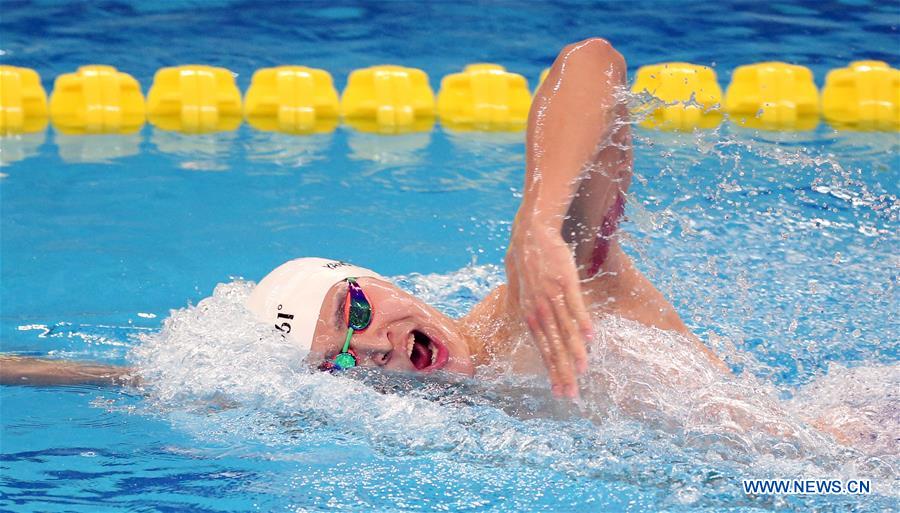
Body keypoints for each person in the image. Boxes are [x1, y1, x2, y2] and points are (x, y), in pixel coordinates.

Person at [3, 38, 697, 397]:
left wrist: (539, 221)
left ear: (379, 278)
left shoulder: (540, 301)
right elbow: (162, 379)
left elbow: (592, 64)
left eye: (355, 311)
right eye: (339, 358)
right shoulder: (441, 400)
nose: (370, 350)